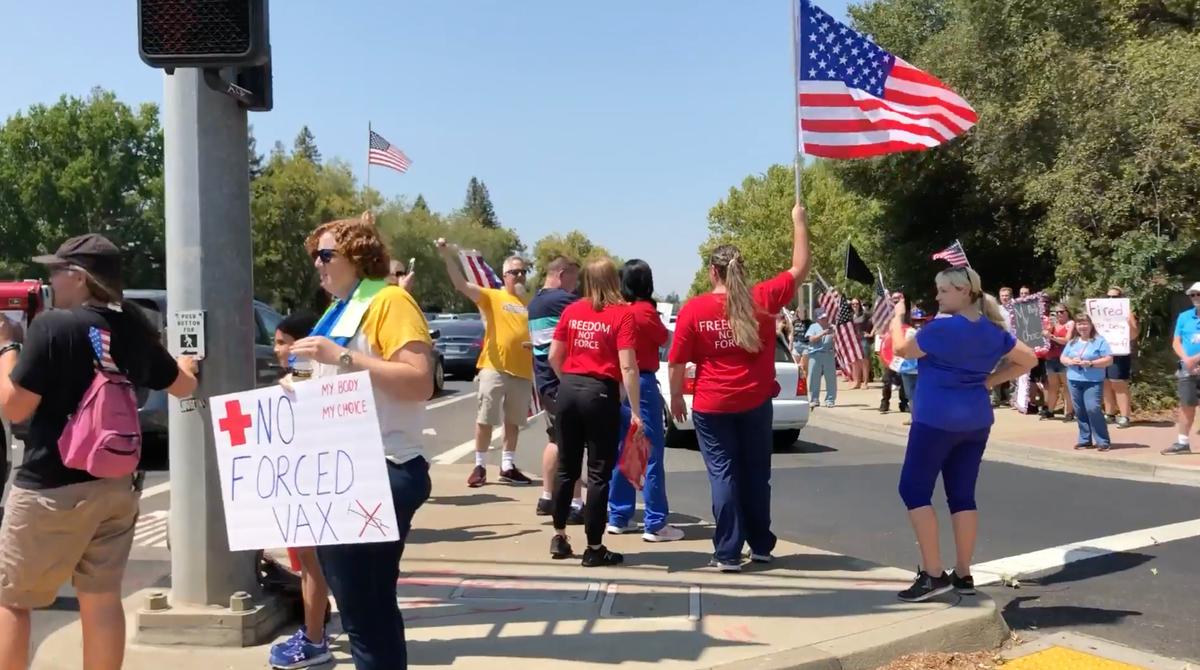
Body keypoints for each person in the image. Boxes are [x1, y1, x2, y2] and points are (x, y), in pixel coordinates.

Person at [0, 234, 198, 670]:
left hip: (51, 486)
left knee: (13, 600)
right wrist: (185, 365)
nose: (50, 279)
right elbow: (184, 387)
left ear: (78, 277)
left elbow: (14, 405)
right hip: (114, 486)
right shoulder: (132, 326)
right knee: (102, 599)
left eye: (55, 271)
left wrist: (7, 348)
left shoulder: (53, 326)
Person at [289, 212, 434, 669]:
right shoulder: (344, 308)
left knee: (365, 614)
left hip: (383, 469)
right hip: (351, 472)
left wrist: (343, 357)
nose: (317, 264)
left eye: (326, 254)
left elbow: (417, 382)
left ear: (358, 256)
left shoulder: (389, 302)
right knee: (367, 610)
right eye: (315, 256)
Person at [668, 203, 809, 572]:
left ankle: (728, 551)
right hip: (755, 402)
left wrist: (679, 397)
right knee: (756, 474)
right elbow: (800, 267)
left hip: (713, 404)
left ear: (712, 271)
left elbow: (677, 360)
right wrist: (798, 222)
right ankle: (760, 544)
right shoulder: (761, 299)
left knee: (723, 474)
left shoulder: (695, 309)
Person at [892, 266, 1036, 602]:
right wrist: (987, 381)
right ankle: (963, 571)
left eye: (943, 291)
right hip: (975, 420)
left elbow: (901, 350)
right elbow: (1028, 360)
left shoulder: (940, 330)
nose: (938, 297)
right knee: (962, 495)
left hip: (935, 420)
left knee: (913, 490)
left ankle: (932, 574)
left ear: (962, 290)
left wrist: (896, 317)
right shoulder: (993, 331)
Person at [547, 258, 641, 566]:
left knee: (566, 467)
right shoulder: (622, 314)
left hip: (569, 389)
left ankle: (559, 536)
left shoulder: (572, 311)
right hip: (601, 392)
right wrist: (634, 408)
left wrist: (571, 382)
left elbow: (553, 356)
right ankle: (595, 547)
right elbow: (627, 364)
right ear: (614, 281)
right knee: (599, 474)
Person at [265, 311, 337, 670]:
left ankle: (313, 636)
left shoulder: (308, 377)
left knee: (312, 563)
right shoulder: (310, 375)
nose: (276, 349)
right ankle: (314, 630)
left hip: (314, 487)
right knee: (312, 563)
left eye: (281, 342)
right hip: (310, 483)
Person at [436, 240, 534, 487]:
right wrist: (447, 256)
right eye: (515, 272)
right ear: (504, 276)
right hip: (494, 367)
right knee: (486, 418)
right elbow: (460, 285)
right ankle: (479, 465)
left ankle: (508, 466)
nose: (520, 276)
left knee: (514, 421)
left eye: (523, 272)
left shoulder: (530, 304)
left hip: (522, 370)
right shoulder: (492, 296)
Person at [606, 259, 682, 542]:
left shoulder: (617, 312)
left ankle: (619, 515)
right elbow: (665, 339)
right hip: (643, 382)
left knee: (625, 451)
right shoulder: (645, 312)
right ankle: (655, 522)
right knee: (650, 454)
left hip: (619, 384)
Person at [528, 256, 585, 522]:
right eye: (574, 278)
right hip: (562, 381)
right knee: (571, 445)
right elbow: (596, 309)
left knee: (555, 440)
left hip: (545, 382)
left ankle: (547, 497)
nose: (576, 286)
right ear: (562, 274)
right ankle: (574, 503)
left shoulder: (537, 301)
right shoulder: (561, 301)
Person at [1061, 312, 1114, 452]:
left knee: (1093, 408)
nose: (1082, 327)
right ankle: (1085, 440)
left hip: (1093, 380)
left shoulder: (1099, 341)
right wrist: (1071, 361)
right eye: (1079, 324)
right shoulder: (1072, 342)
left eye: (1085, 323)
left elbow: (1109, 360)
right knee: (1080, 411)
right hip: (1074, 380)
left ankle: (1103, 441)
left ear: (1091, 325)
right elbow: (1063, 358)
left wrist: (1091, 363)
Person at [1163, 283, 1200, 455]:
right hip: (1188, 368)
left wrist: (1195, 359)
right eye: (1192, 295)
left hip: (1193, 363)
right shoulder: (1184, 316)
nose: (1195, 298)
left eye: (1198, 294)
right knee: (1186, 404)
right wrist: (1187, 360)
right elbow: (1176, 341)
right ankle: (1183, 443)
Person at [1102, 286, 1138, 428]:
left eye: (1115, 297)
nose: (1111, 300)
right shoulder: (1102, 313)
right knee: (1105, 382)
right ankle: (1109, 414)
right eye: (1109, 297)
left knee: (1118, 383)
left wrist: (1128, 321)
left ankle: (1124, 416)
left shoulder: (1128, 313)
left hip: (1120, 352)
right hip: (1104, 353)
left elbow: (1134, 334)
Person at [1041, 303, 1075, 420]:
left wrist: (1051, 336)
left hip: (1064, 358)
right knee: (1052, 386)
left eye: (1061, 312)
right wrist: (1049, 328)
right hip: (1051, 357)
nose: (1059, 314)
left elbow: (1067, 340)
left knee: (1066, 386)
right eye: (1056, 312)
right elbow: (1045, 337)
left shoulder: (1070, 324)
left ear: (1067, 312)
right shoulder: (1053, 324)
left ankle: (1069, 412)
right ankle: (1050, 410)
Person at [878, 291, 909, 413]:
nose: (895, 300)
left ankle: (904, 403)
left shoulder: (906, 314)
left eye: (898, 298)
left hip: (902, 352)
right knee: (887, 380)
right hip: (890, 354)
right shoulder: (887, 313)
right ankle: (885, 402)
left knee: (903, 380)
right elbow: (882, 329)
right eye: (894, 298)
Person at [804, 309, 837, 407]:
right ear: (817, 318)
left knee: (830, 378)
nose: (824, 319)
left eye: (825, 317)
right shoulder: (813, 327)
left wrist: (835, 336)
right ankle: (814, 399)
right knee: (814, 377)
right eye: (822, 317)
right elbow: (811, 339)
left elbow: (837, 340)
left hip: (828, 354)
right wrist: (823, 333)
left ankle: (830, 400)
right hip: (815, 354)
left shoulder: (832, 327)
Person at [991, 287, 1016, 407]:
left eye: (1007, 295)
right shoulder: (997, 310)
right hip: (1000, 345)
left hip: (1015, 345)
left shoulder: (1017, 309)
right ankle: (996, 398)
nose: (1005, 298)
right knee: (996, 371)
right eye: (1002, 296)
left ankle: (1012, 398)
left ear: (1011, 296)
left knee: (1014, 373)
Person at [849, 298, 870, 389]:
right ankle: (857, 382)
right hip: (853, 340)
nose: (855, 306)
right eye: (853, 304)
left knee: (864, 361)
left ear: (860, 304)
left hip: (863, 339)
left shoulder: (865, 314)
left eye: (856, 304)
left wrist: (871, 333)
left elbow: (876, 322)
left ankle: (865, 382)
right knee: (855, 362)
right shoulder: (850, 316)